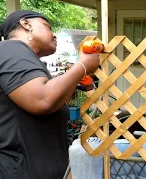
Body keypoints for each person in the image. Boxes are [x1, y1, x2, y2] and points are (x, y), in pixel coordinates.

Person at [0, 10, 100, 178]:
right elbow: (42, 99)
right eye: (47, 27)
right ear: (26, 24)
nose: (54, 35)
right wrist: (82, 66)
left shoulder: (25, 58)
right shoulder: (11, 48)